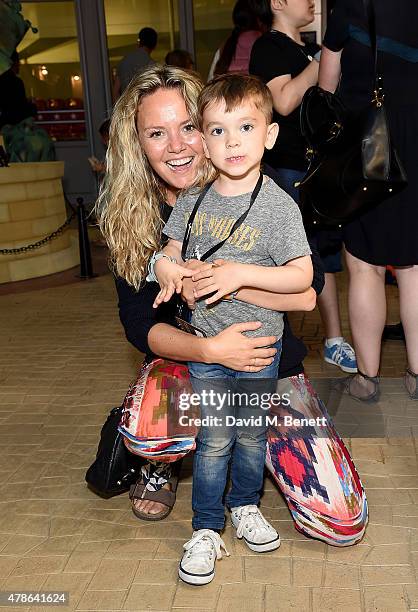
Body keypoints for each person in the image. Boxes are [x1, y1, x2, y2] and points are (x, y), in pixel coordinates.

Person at [96, 63, 367, 567]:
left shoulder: (262, 195)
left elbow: (310, 292)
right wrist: (210, 346)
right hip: (193, 360)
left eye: (188, 127)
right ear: (137, 144)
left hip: (266, 359)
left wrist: (234, 277)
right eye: (157, 133)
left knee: (340, 516)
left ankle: (247, 491)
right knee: (166, 406)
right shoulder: (135, 217)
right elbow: (140, 326)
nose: (177, 145)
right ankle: (162, 460)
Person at [150, 74, 313, 584]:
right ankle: (206, 527)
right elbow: (168, 252)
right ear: (204, 138)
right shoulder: (195, 198)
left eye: (245, 127)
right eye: (217, 131)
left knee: (250, 437)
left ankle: (245, 506)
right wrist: (168, 269)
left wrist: (240, 274)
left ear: (269, 135)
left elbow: (303, 276)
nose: (232, 142)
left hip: (261, 351)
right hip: (209, 353)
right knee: (215, 439)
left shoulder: (279, 204)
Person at [249, 0, 357, 374]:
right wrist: (323, 60)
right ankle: (283, 345)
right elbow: (282, 99)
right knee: (294, 258)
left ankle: (333, 339)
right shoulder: (269, 48)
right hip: (289, 170)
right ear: (277, 2)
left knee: (323, 257)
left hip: (320, 169)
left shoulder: (303, 48)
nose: (310, 1)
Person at [319, 0, 418, 401]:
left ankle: (367, 378)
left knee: (364, 267)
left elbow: (326, 88)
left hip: (368, 150)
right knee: (414, 270)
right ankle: (415, 375)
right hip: (415, 148)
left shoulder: (351, 6)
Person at [207, 0, 263, 81]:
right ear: (259, 19)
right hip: (256, 91)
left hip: (228, 92)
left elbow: (211, 81)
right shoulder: (265, 43)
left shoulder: (226, 45)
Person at [112, 27, 157, 100]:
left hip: (127, 105)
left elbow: (115, 92)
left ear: (139, 41)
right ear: (154, 45)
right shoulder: (151, 65)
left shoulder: (124, 60)